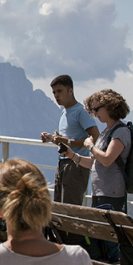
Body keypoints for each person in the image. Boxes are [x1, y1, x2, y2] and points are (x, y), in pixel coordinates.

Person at [63, 89, 131, 265]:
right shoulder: (106, 132)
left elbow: (108, 159)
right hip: (101, 191)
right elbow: (94, 163)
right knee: (101, 238)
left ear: (109, 107)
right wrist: (73, 156)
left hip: (113, 192)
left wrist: (90, 146)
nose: (94, 114)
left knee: (111, 239)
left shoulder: (120, 132)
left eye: (97, 109)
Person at [41, 75, 100, 206]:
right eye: (54, 92)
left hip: (77, 164)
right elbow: (66, 139)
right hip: (62, 163)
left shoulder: (81, 112)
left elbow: (95, 137)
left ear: (70, 91)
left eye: (59, 91)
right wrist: (52, 139)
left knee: (70, 208)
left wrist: (69, 143)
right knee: (58, 206)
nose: (56, 95)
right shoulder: (64, 112)